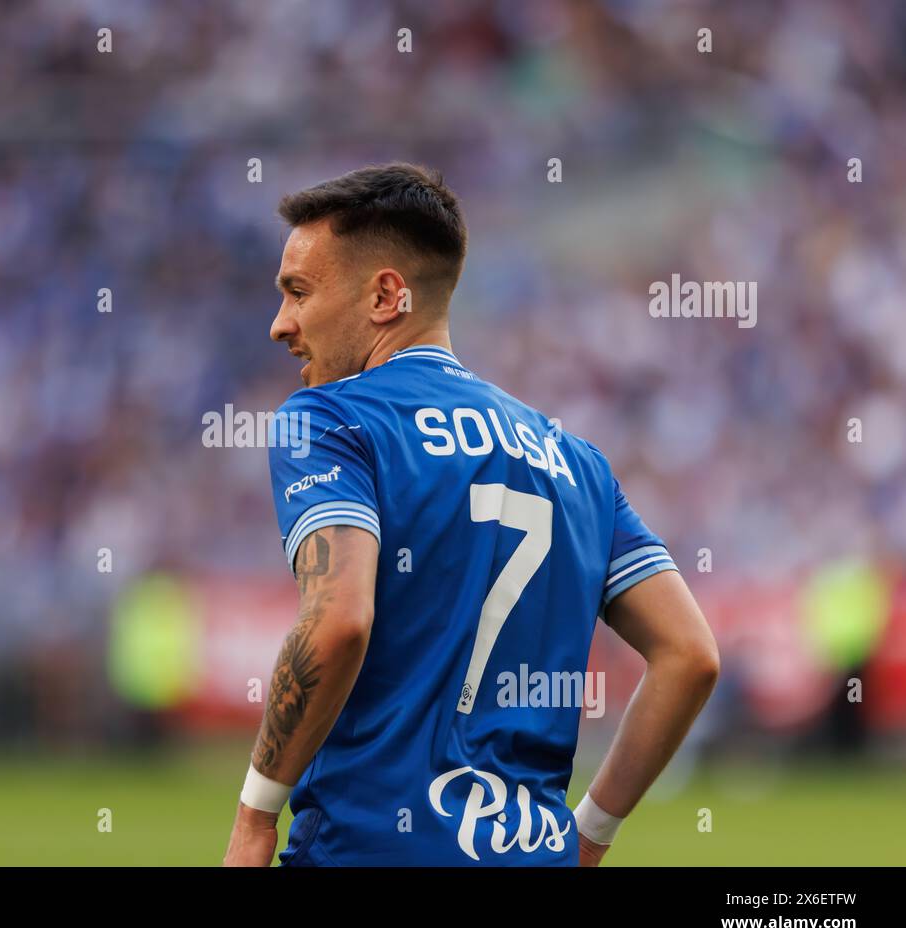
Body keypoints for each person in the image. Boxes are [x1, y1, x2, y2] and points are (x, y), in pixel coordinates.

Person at [222, 162, 719, 866]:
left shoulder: (330, 420)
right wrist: (591, 833)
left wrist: (253, 817)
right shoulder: (576, 461)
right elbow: (690, 654)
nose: (281, 325)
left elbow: (338, 620)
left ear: (387, 294)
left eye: (299, 292)